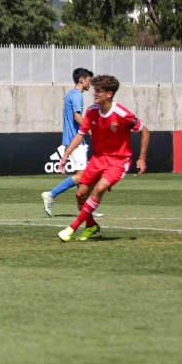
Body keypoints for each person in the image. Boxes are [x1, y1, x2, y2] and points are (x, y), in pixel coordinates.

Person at [57, 74, 148, 242]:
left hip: (119, 160)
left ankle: (72, 228)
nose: (94, 94)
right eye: (94, 90)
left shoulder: (122, 113)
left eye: (98, 91)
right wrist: (66, 155)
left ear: (109, 94)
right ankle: (91, 225)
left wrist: (141, 158)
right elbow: (80, 134)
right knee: (80, 194)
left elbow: (144, 130)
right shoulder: (92, 111)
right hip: (98, 158)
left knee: (99, 189)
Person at [42, 67, 93, 216]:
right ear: (82, 80)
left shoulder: (70, 94)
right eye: (89, 80)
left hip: (74, 140)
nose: (91, 83)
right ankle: (51, 194)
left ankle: (84, 210)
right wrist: (90, 132)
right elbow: (77, 117)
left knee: (81, 175)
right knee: (81, 176)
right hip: (75, 141)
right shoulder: (77, 95)